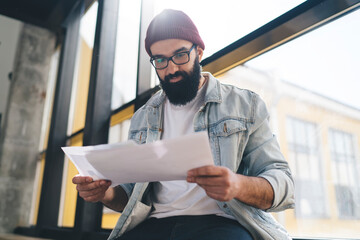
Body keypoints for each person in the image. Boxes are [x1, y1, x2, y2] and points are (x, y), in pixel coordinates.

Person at [72, 9, 295, 240]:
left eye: (180, 55)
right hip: (154, 223)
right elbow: (132, 196)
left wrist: (237, 185)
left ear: (198, 52)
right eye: (160, 60)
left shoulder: (245, 105)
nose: (171, 69)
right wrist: (106, 193)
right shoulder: (143, 117)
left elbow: (283, 183)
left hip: (221, 223)